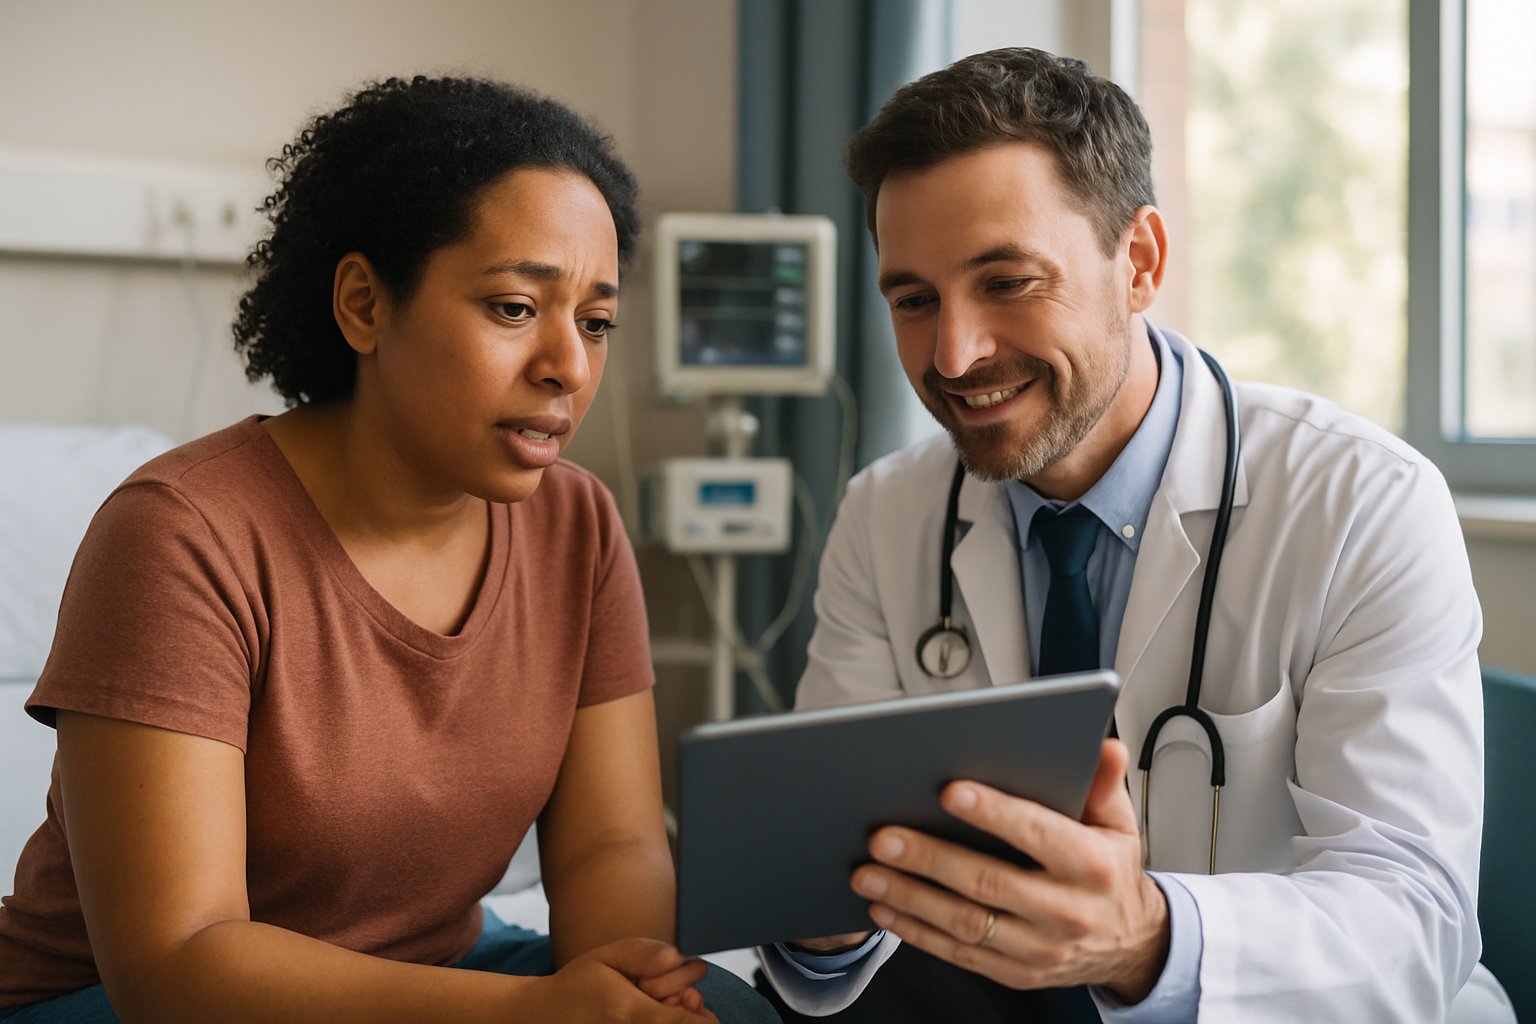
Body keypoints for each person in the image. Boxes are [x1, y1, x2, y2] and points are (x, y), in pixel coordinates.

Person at [753, 48, 1514, 1022]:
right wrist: (820, 917)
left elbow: (1413, 923)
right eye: (914, 300)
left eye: (1008, 281)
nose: (954, 354)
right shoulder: (884, 514)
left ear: (1142, 262)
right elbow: (829, 892)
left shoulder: (1364, 502)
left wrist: (1147, 938)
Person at [0, 77, 777, 1024]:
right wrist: (531, 1017)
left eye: (596, 321)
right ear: (365, 305)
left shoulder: (577, 526)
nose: (569, 367)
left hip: (440, 972)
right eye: (513, 307)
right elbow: (178, 962)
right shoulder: (181, 535)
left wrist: (625, 997)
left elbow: (609, 847)